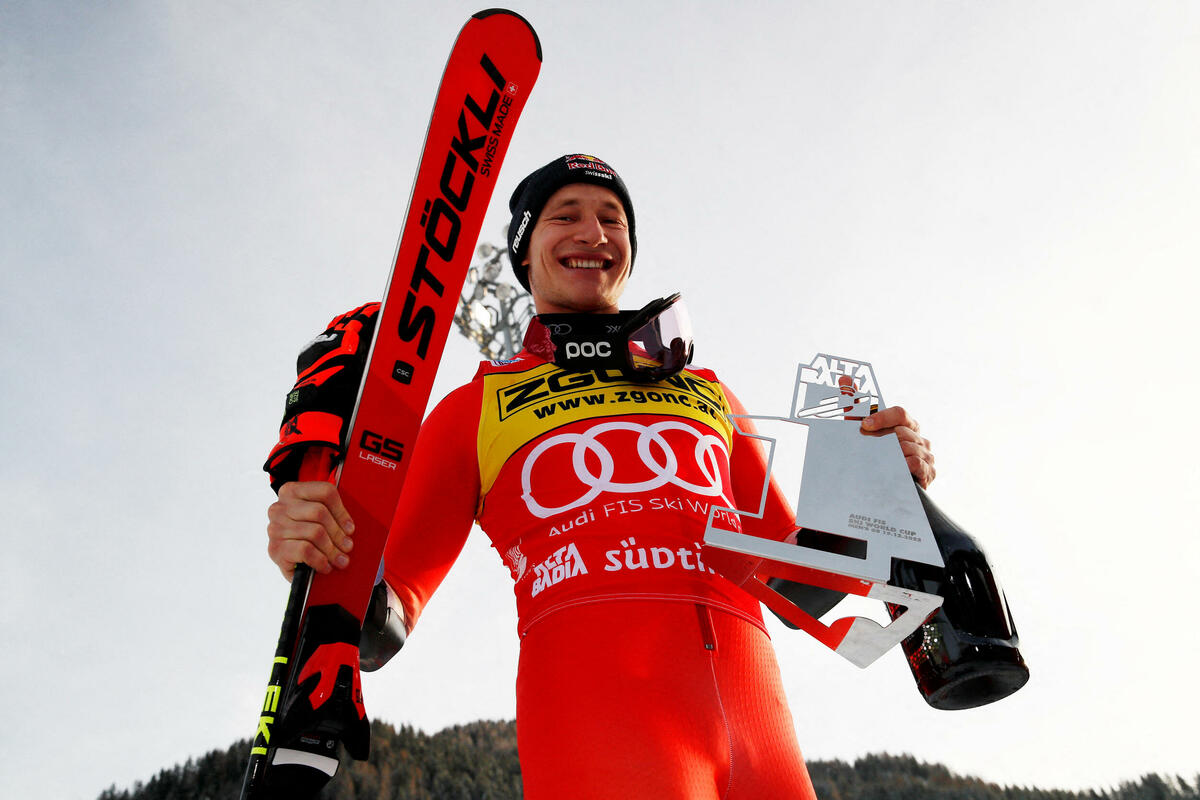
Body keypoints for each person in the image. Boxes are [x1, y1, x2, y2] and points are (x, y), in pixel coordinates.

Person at [265, 154, 936, 799]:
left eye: (613, 219)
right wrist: (321, 549)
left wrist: (876, 493)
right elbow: (379, 620)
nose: (594, 233)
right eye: (565, 215)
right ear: (525, 251)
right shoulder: (474, 409)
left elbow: (799, 586)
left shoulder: (706, 392)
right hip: (601, 737)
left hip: (765, 748)